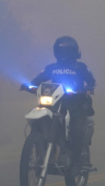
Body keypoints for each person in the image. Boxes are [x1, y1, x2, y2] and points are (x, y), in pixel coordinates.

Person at [22, 36, 96, 169]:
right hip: (54, 103)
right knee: (39, 121)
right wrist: (29, 86)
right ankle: (40, 150)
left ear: (74, 52)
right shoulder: (51, 68)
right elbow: (36, 81)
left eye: (67, 51)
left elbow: (91, 81)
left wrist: (88, 89)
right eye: (62, 51)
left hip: (75, 104)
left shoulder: (81, 67)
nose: (64, 54)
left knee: (77, 129)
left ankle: (76, 162)